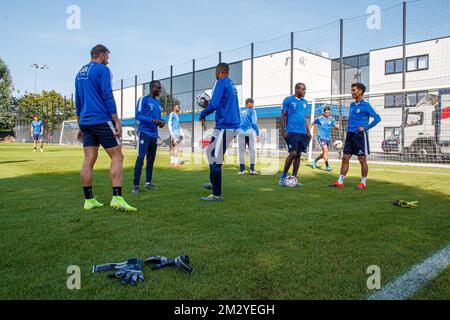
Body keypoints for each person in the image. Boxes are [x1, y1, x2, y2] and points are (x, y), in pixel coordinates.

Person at [75, 44, 137, 212]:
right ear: (101, 55)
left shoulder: (79, 73)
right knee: (117, 155)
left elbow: (78, 101)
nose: (108, 60)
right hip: (101, 119)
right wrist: (116, 120)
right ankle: (117, 198)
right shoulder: (102, 70)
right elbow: (107, 95)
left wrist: (80, 123)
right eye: (108, 57)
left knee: (89, 159)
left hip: (86, 122)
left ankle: (89, 200)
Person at [200, 63, 241, 201]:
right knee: (210, 152)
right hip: (228, 125)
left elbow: (214, 104)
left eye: (215, 72)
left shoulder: (221, 82)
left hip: (226, 126)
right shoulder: (231, 84)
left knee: (216, 157)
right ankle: (213, 183)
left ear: (219, 71)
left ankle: (217, 195)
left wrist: (203, 113)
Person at [330, 83, 381, 190]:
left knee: (362, 159)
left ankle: (363, 183)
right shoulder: (352, 105)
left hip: (360, 136)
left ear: (360, 92)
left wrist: (365, 128)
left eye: (354, 90)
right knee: (345, 158)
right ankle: (340, 181)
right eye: (351, 90)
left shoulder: (366, 105)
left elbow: (377, 118)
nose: (352, 92)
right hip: (350, 135)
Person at [132, 80, 166, 194]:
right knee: (140, 158)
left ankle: (148, 182)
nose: (160, 90)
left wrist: (162, 122)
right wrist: (153, 120)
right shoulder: (143, 99)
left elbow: (159, 118)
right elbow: (138, 115)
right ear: (152, 88)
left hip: (154, 134)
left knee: (151, 159)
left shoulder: (158, 102)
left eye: (160, 88)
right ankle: (135, 185)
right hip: (144, 133)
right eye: (158, 88)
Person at [278, 83, 312, 187]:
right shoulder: (288, 100)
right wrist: (283, 131)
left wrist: (308, 131)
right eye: (303, 89)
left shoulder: (305, 102)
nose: (304, 91)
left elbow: (304, 118)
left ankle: (294, 178)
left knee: (298, 155)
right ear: (297, 89)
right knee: (292, 154)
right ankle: (283, 177)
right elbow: (283, 115)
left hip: (302, 133)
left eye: (305, 90)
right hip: (292, 131)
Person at [310, 106, 339, 171]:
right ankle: (327, 166)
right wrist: (308, 132)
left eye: (328, 113)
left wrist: (337, 126)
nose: (327, 114)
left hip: (328, 138)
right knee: (326, 151)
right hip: (321, 137)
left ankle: (315, 160)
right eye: (326, 113)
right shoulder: (319, 119)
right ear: (323, 112)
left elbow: (336, 127)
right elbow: (312, 123)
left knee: (324, 153)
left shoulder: (331, 119)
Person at [238, 98, 260, 175]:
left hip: (240, 131)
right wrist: (257, 133)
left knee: (241, 151)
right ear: (249, 103)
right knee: (252, 151)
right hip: (249, 131)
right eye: (252, 103)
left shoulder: (240, 110)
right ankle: (252, 170)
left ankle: (242, 170)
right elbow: (254, 123)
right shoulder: (252, 110)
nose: (253, 105)